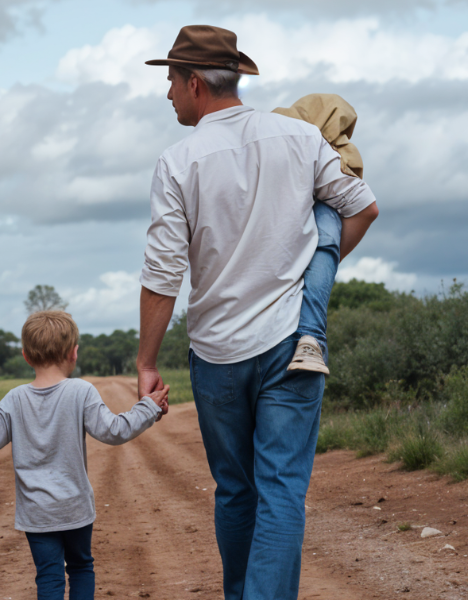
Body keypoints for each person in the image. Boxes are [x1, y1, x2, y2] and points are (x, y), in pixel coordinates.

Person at [136, 26, 379, 600]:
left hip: (218, 355)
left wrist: (146, 362)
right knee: (281, 491)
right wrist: (310, 272)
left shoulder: (177, 162)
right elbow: (362, 209)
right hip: (292, 342)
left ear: (195, 83)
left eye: (170, 80)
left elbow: (163, 274)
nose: (167, 93)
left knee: (236, 492)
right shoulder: (297, 137)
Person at [0, 311, 169, 600]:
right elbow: (114, 431)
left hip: (37, 513)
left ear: (26, 356)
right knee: (80, 568)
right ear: (74, 353)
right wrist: (148, 407)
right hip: (75, 508)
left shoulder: (14, 399)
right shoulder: (81, 391)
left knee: (48, 576)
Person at [276, 93, 367, 375]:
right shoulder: (340, 156)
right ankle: (310, 338)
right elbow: (366, 209)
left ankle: (310, 339)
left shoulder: (274, 145)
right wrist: (323, 265)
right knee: (328, 227)